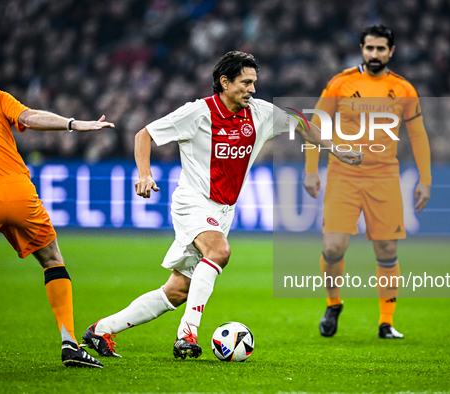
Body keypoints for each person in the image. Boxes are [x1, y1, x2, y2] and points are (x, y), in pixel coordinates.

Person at [80, 51, 363, 360]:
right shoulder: (197, 113)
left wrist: (338, 150)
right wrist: (145, 174)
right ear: (225, 82)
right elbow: (144, 134)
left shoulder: (260, 113)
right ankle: (187, 334)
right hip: (193, 202)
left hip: (223, 210)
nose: (253, 90)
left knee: (176, 291)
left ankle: (100, 330)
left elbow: (301, 123)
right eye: (246, 83)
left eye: (255, 83)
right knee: (219, 252)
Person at [304, 25, 432, 339]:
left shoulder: (403, 89)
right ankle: (333, 303)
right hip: (343, 176)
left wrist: (425, 179)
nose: (374, 54)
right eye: (369, 48)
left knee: (387, 250)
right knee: (333, 247)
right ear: (362, 49)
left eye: (381, 49)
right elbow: (314, 125)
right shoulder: (341, 83)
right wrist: (311, 169)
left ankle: (386, 322)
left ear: (391, 51)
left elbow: (417, 135)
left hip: (385, 177)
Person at [0, 88, 115, 367]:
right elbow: (30, 118)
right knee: (53, 260)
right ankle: (70, 343)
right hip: (19, 193)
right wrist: (72, 123)